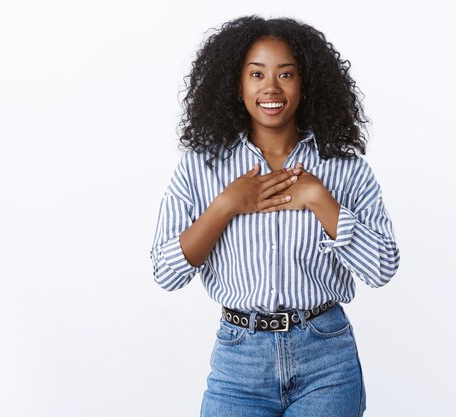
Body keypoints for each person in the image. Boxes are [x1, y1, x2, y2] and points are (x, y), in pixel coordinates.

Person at [150, 15, 400, 417]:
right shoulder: (202, 167)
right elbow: (166, 272)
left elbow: (382, 268)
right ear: (237, 85)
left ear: (305, 84)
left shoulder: (345, 168)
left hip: (327, 360)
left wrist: (321, 200)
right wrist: (225, 205)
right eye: (256, 74)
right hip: (238, 362)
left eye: (286, 74)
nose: (271, 87)